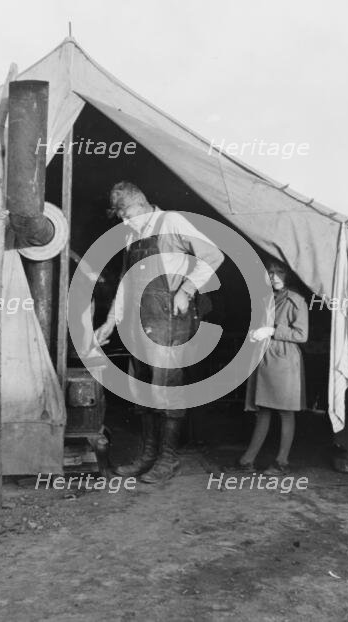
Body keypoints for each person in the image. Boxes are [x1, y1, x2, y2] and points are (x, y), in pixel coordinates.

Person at [94, 181, 224, 484]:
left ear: (140, 204)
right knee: (142, 391)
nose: (124, 221)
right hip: (139, 325)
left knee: (166, 389)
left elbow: (213, 256)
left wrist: (187, 290)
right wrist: (109, 323)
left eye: (126, 214)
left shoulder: (172, 222)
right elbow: (125, 287)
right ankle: (148, 456)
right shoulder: (133, 236)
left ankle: (168, 459)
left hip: (169, 323)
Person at [239, 260, 308, 474]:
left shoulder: (296, 300)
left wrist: (273, 330)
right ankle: (247, 460)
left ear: (289, 275)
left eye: (280, 272)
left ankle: (281, 461)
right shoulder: (267, 298)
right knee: (264, 410)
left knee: (286, 412)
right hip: (266, 357)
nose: (275, 276)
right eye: (271, 272)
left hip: (285, 360)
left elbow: (302, 334)